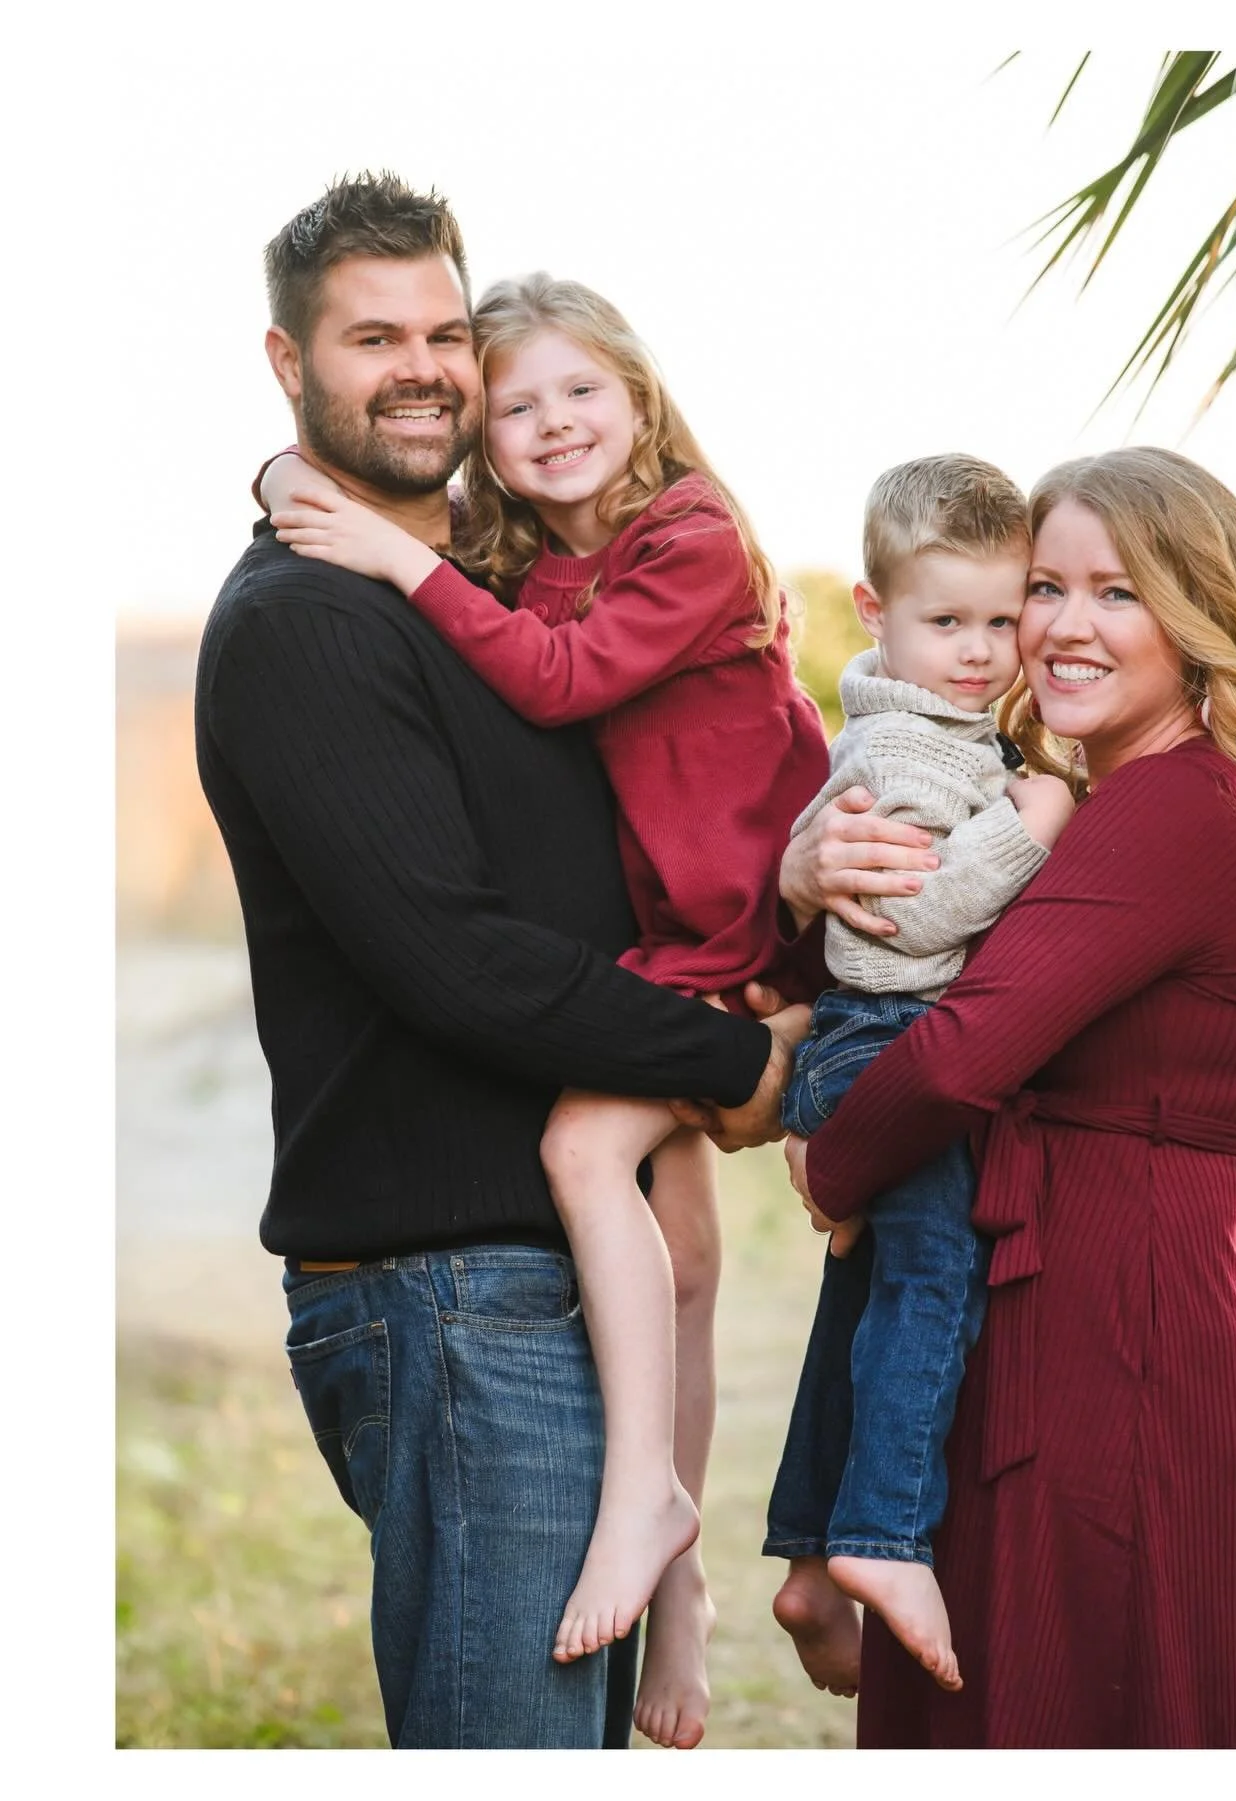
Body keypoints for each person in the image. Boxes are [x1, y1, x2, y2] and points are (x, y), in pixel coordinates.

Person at [194, 173, 805, 1752]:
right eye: (369, 336)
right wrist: (736, 1063)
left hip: (536, 1289)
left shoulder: (498, 581)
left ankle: (681, 1579)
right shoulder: (307, 624)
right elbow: (454, 959)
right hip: (450, 1294)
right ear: (289, 363)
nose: (421, 366)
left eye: (444, 333)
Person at [763, 446, 1236, 1746]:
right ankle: (816, 1547)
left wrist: (832, 1163)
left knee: (1079, 1701)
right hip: (1054, 1303)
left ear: (1199, 617)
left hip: (1111, 1332)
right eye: (1043, 592)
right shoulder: (1101, 795)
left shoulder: (1178, 809)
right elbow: (885, 970)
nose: (1062, 629)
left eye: (1115, 593)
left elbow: (956, 1051)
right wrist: (803, 874)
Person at [760, 454, 1075, 1694]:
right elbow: (905, 922)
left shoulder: (943, 728)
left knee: (875, 1292)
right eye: (950, 621)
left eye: (1006, 618)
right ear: (872, 611)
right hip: (880, 1043)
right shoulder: (909, 756)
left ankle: (806, 1540)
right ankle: (884, 1536)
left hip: (871, 1045)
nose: (987, 649)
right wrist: (1032, 825)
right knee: (938, 1272)